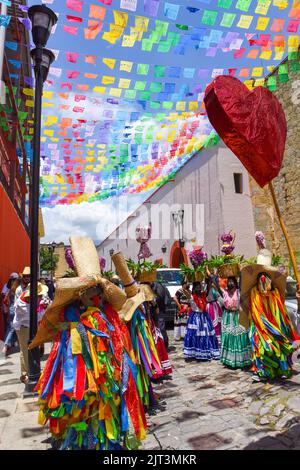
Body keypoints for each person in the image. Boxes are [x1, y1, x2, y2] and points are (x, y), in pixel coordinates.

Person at [31, 237, 147, 450]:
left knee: (102, 412)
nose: (95, 296)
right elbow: (66, 351)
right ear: (80, 294)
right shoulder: (72, 315)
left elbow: (126, 326)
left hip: (104, 380)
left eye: (98, 292)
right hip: (77, 375)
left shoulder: (108, 315)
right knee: (82, 408)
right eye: (90, 291)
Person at [240, 249, 300, 382]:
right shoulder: (254, 293)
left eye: (266, 279)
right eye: (261, 278)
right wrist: (261, 326)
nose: (264, 282)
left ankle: (283, 370)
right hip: (260, 327)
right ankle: (263, 372)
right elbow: (254, 311)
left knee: (279, 347)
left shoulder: (275, 294)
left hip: (276, 326)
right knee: (260, 348)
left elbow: (281, 311)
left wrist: (276, 327)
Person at [13, 282, 48, 383]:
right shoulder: (22, 304)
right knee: (25, 350)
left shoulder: (31, 301)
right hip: (23, 328)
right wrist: (42, 309)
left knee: (27, 349)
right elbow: (35, 316)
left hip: (29, 327)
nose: (41, 298)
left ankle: (28, 372)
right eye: (39, 296)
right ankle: (27, 374)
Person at [220, 276, 252, 369]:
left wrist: (241, 273)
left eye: (232, 281)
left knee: (240, 336)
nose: (230, 283)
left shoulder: (239, 292)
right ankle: (229, 360)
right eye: (229, 281)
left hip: (238, 316)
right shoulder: (225, 292)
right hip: (228, 316)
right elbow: (214, 283)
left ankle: (242, 360)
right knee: (228, 337)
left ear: (236, 283)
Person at [183, 281, 220, 360]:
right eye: (197, 287)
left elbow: (209, 286)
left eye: (199, 287)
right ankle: (195, 352)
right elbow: (185, 291)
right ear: (194, 288)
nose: (199, 288)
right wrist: (187, 280)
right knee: (195, 335)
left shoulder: (203, 295)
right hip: (195, 318)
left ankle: (206, 350)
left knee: (206, 334)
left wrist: (210, 277)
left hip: (204, 317)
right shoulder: (192, 296)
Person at [2, 274, 20, 356]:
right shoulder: (17, 288)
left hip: (10, 310)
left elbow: (4, 298)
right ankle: (5, 347)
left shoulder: (7, 286)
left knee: (10, 328)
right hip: (16, 310)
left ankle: (8, 345)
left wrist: (7, 307)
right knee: (12, 329)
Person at [150, 281, 171, 349]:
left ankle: (164, 345)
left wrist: (155, 305)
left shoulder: (158, 286)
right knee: (156, 328)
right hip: (154, 311)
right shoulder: (151, 285)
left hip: (159, 310)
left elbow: (159, 297)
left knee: (161, 327)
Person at [205, 266, 223, 346]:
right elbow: (212, 277)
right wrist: (206, 269)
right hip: (210, 306)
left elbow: (214, 277)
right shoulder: (207, 287)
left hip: (216, 305)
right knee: (212, 323)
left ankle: (218, 340)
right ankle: (212, 340)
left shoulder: (216, 286)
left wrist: (218, 270)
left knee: (218, 323)